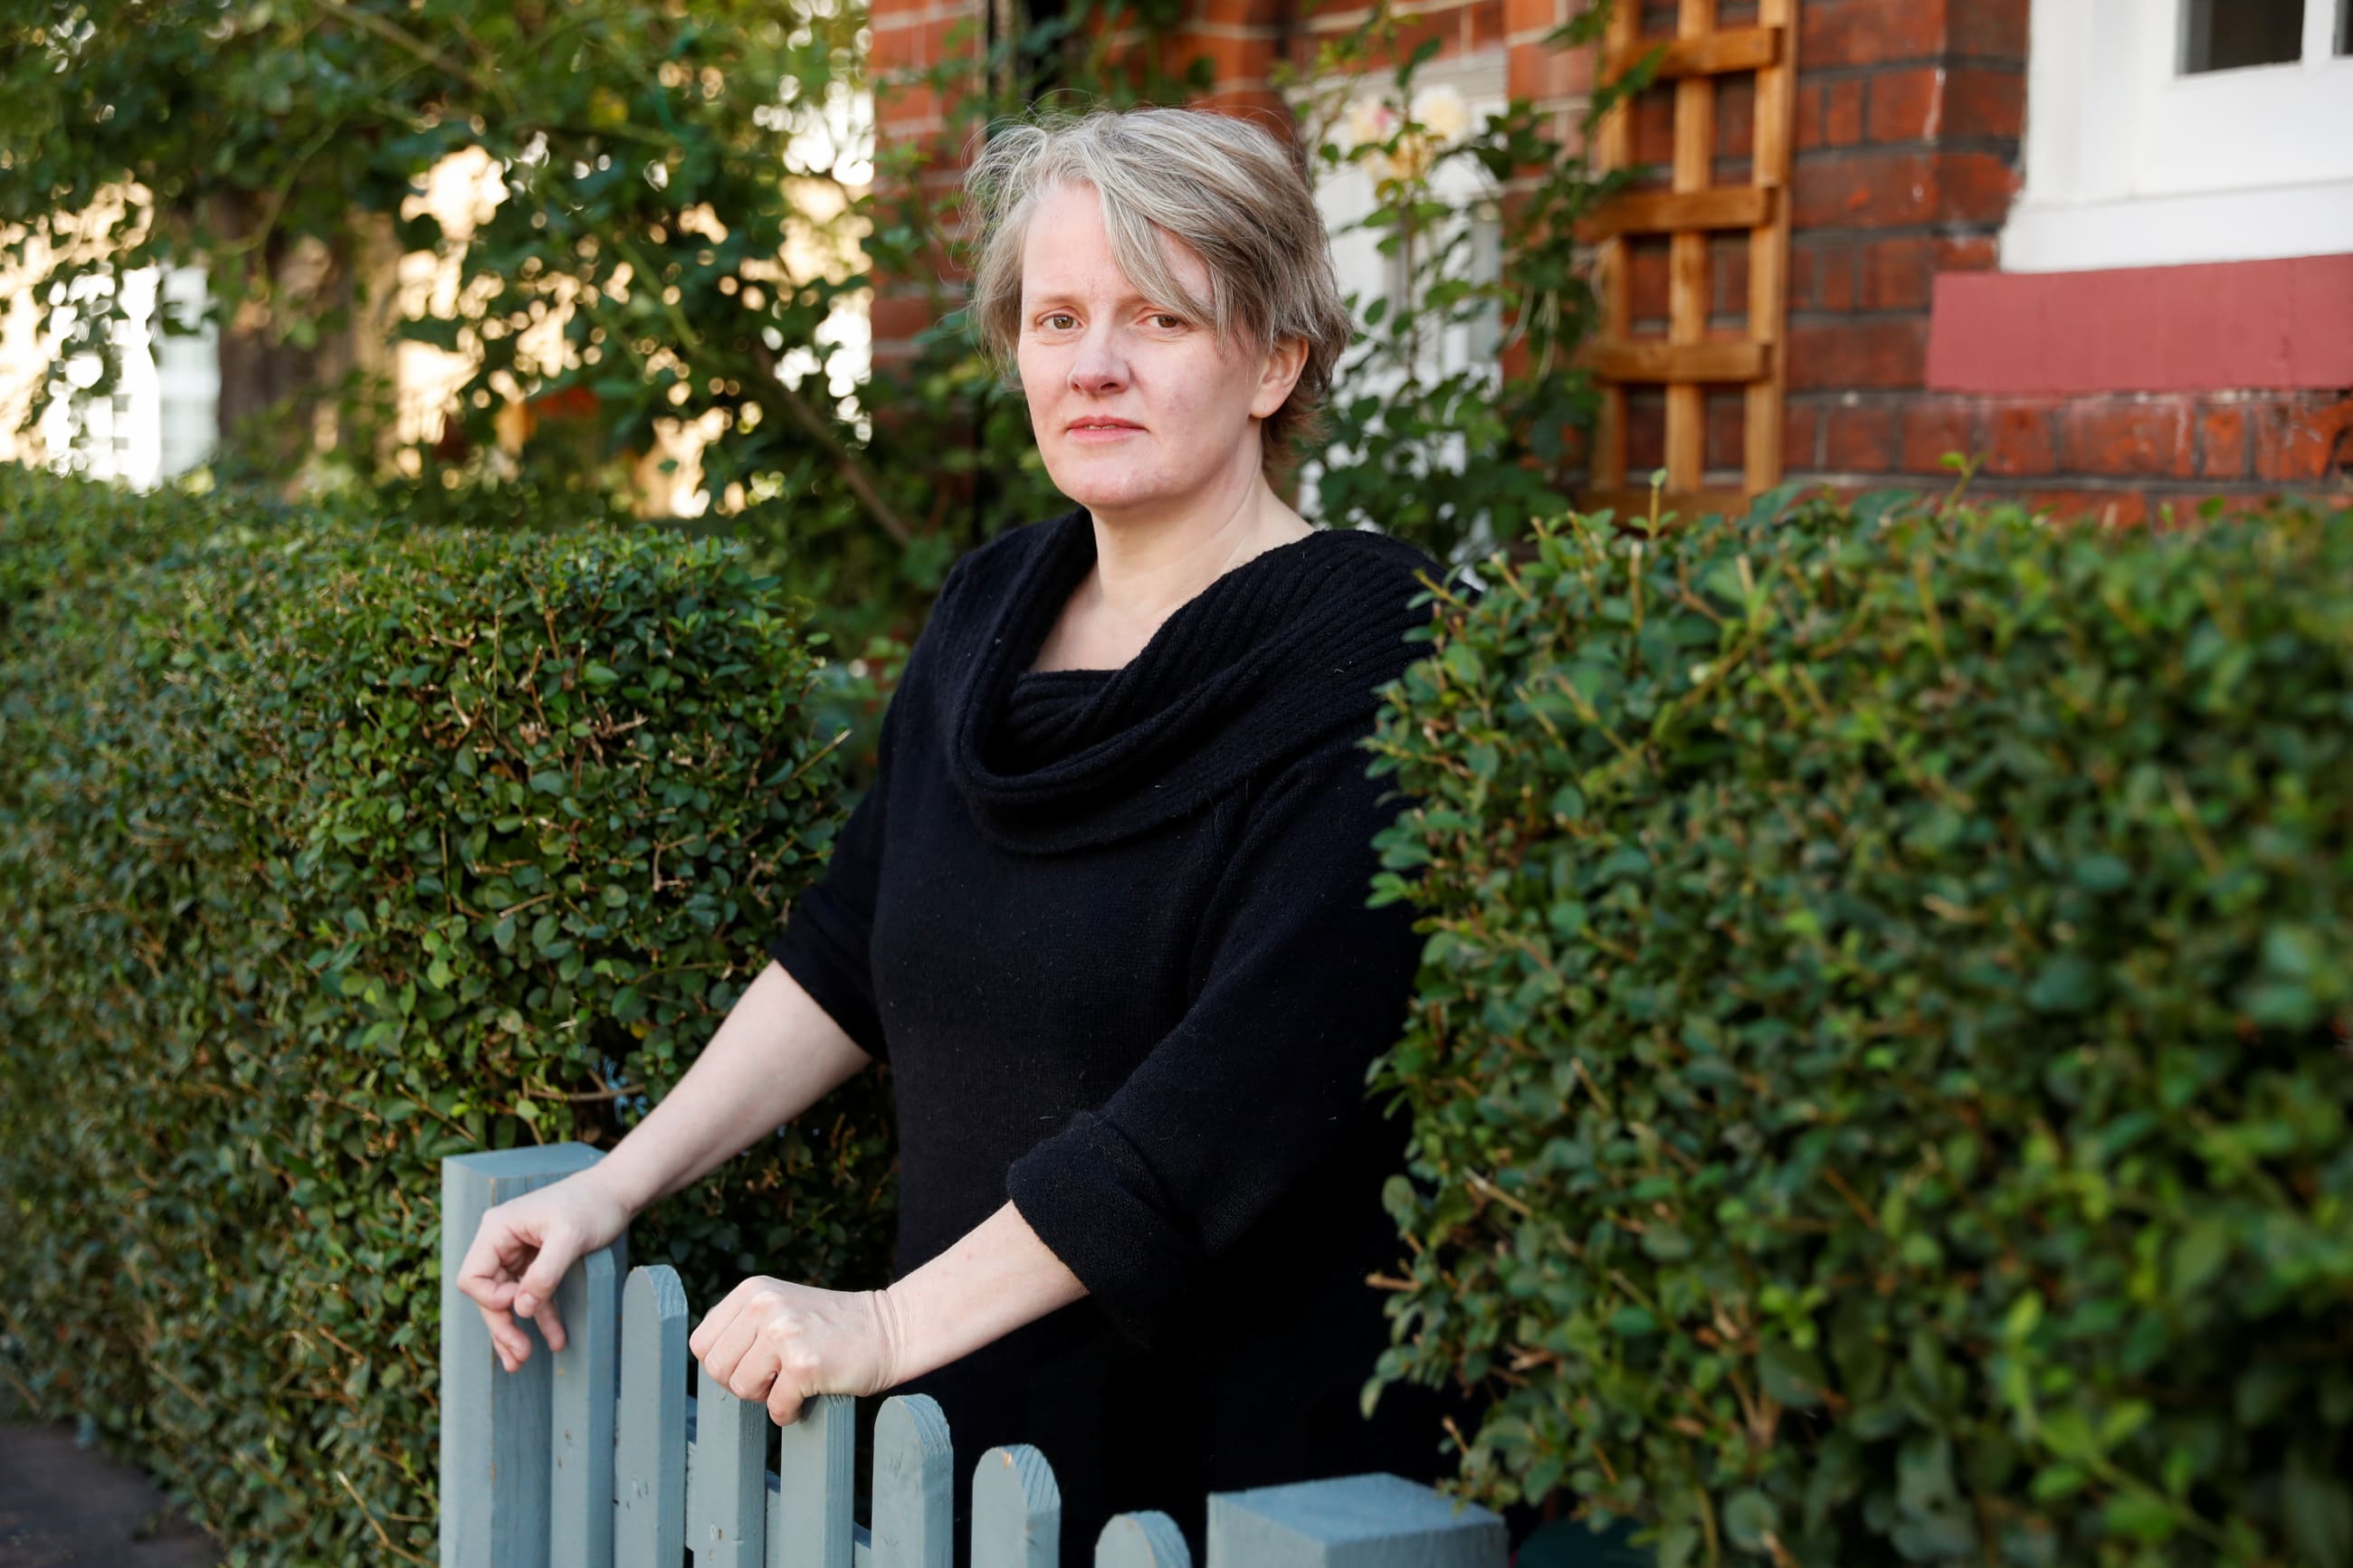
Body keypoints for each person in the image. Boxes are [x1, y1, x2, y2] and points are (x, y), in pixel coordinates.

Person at [454, 103, 1482, 1565]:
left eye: (1159, 316)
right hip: (952, 1470)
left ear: (1276, 359)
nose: (1094, 364)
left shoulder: (1377, 659)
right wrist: (616, 1184)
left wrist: (884, 1322)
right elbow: (843, 960)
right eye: (1056, 317)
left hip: (1236, 1491)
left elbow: (1224, 1113)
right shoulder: (990, 615)